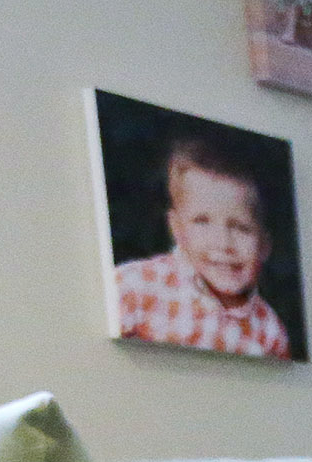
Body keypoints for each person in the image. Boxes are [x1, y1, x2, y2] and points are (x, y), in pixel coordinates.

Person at [111, 133, 291, 361]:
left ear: (265, 245)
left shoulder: (270, 332)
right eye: (202, 221)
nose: (223, 243)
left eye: (241, 227)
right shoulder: (134, 287)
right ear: (177, 228)